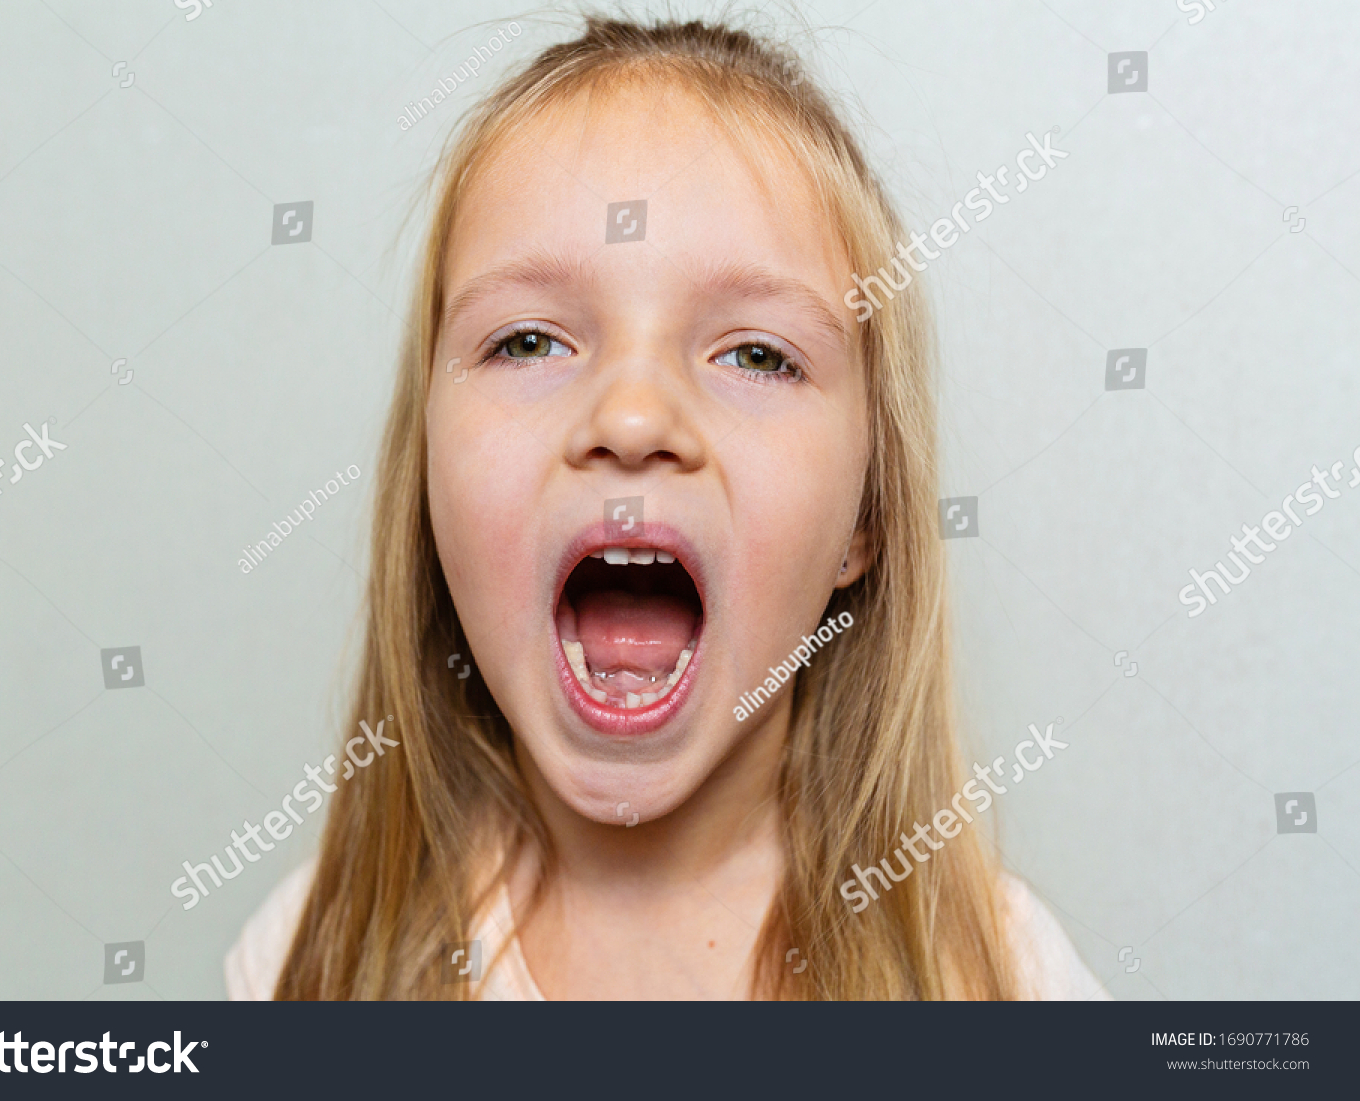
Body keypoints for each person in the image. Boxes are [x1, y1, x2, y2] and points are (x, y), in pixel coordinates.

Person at [226, 14, 1106, 1001]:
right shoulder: (310, 964)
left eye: (757, 354)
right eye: (528, 341)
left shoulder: (997, 989)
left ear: (867, 519)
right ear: (428, 480)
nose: (635, 416)